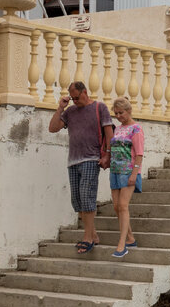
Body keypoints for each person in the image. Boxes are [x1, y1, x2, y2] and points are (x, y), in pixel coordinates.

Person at [49, 81, 114, 254]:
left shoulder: (100, 107)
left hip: (91, 158)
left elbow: (109, 133)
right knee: (77, 201)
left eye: (77, 97)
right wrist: (61, 108)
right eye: (72, 98)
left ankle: (87, 237)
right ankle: (93, 234)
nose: (75, 101)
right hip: (73, 161)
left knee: (87, 196)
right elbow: (53, 128)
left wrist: (107, 154)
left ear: (85, 92)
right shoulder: (70, 111)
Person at [108, 97, 144, 258]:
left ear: (129, 111)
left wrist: (134, 174)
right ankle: (130, 237)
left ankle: (122, 244)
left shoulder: (136, 129)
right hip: (115, 170)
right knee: (116, 207)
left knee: (123, 206)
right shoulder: (117, 129)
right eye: (116, 113)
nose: (118, 116)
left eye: (121, 113)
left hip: (128, 171)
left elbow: (139, 154)